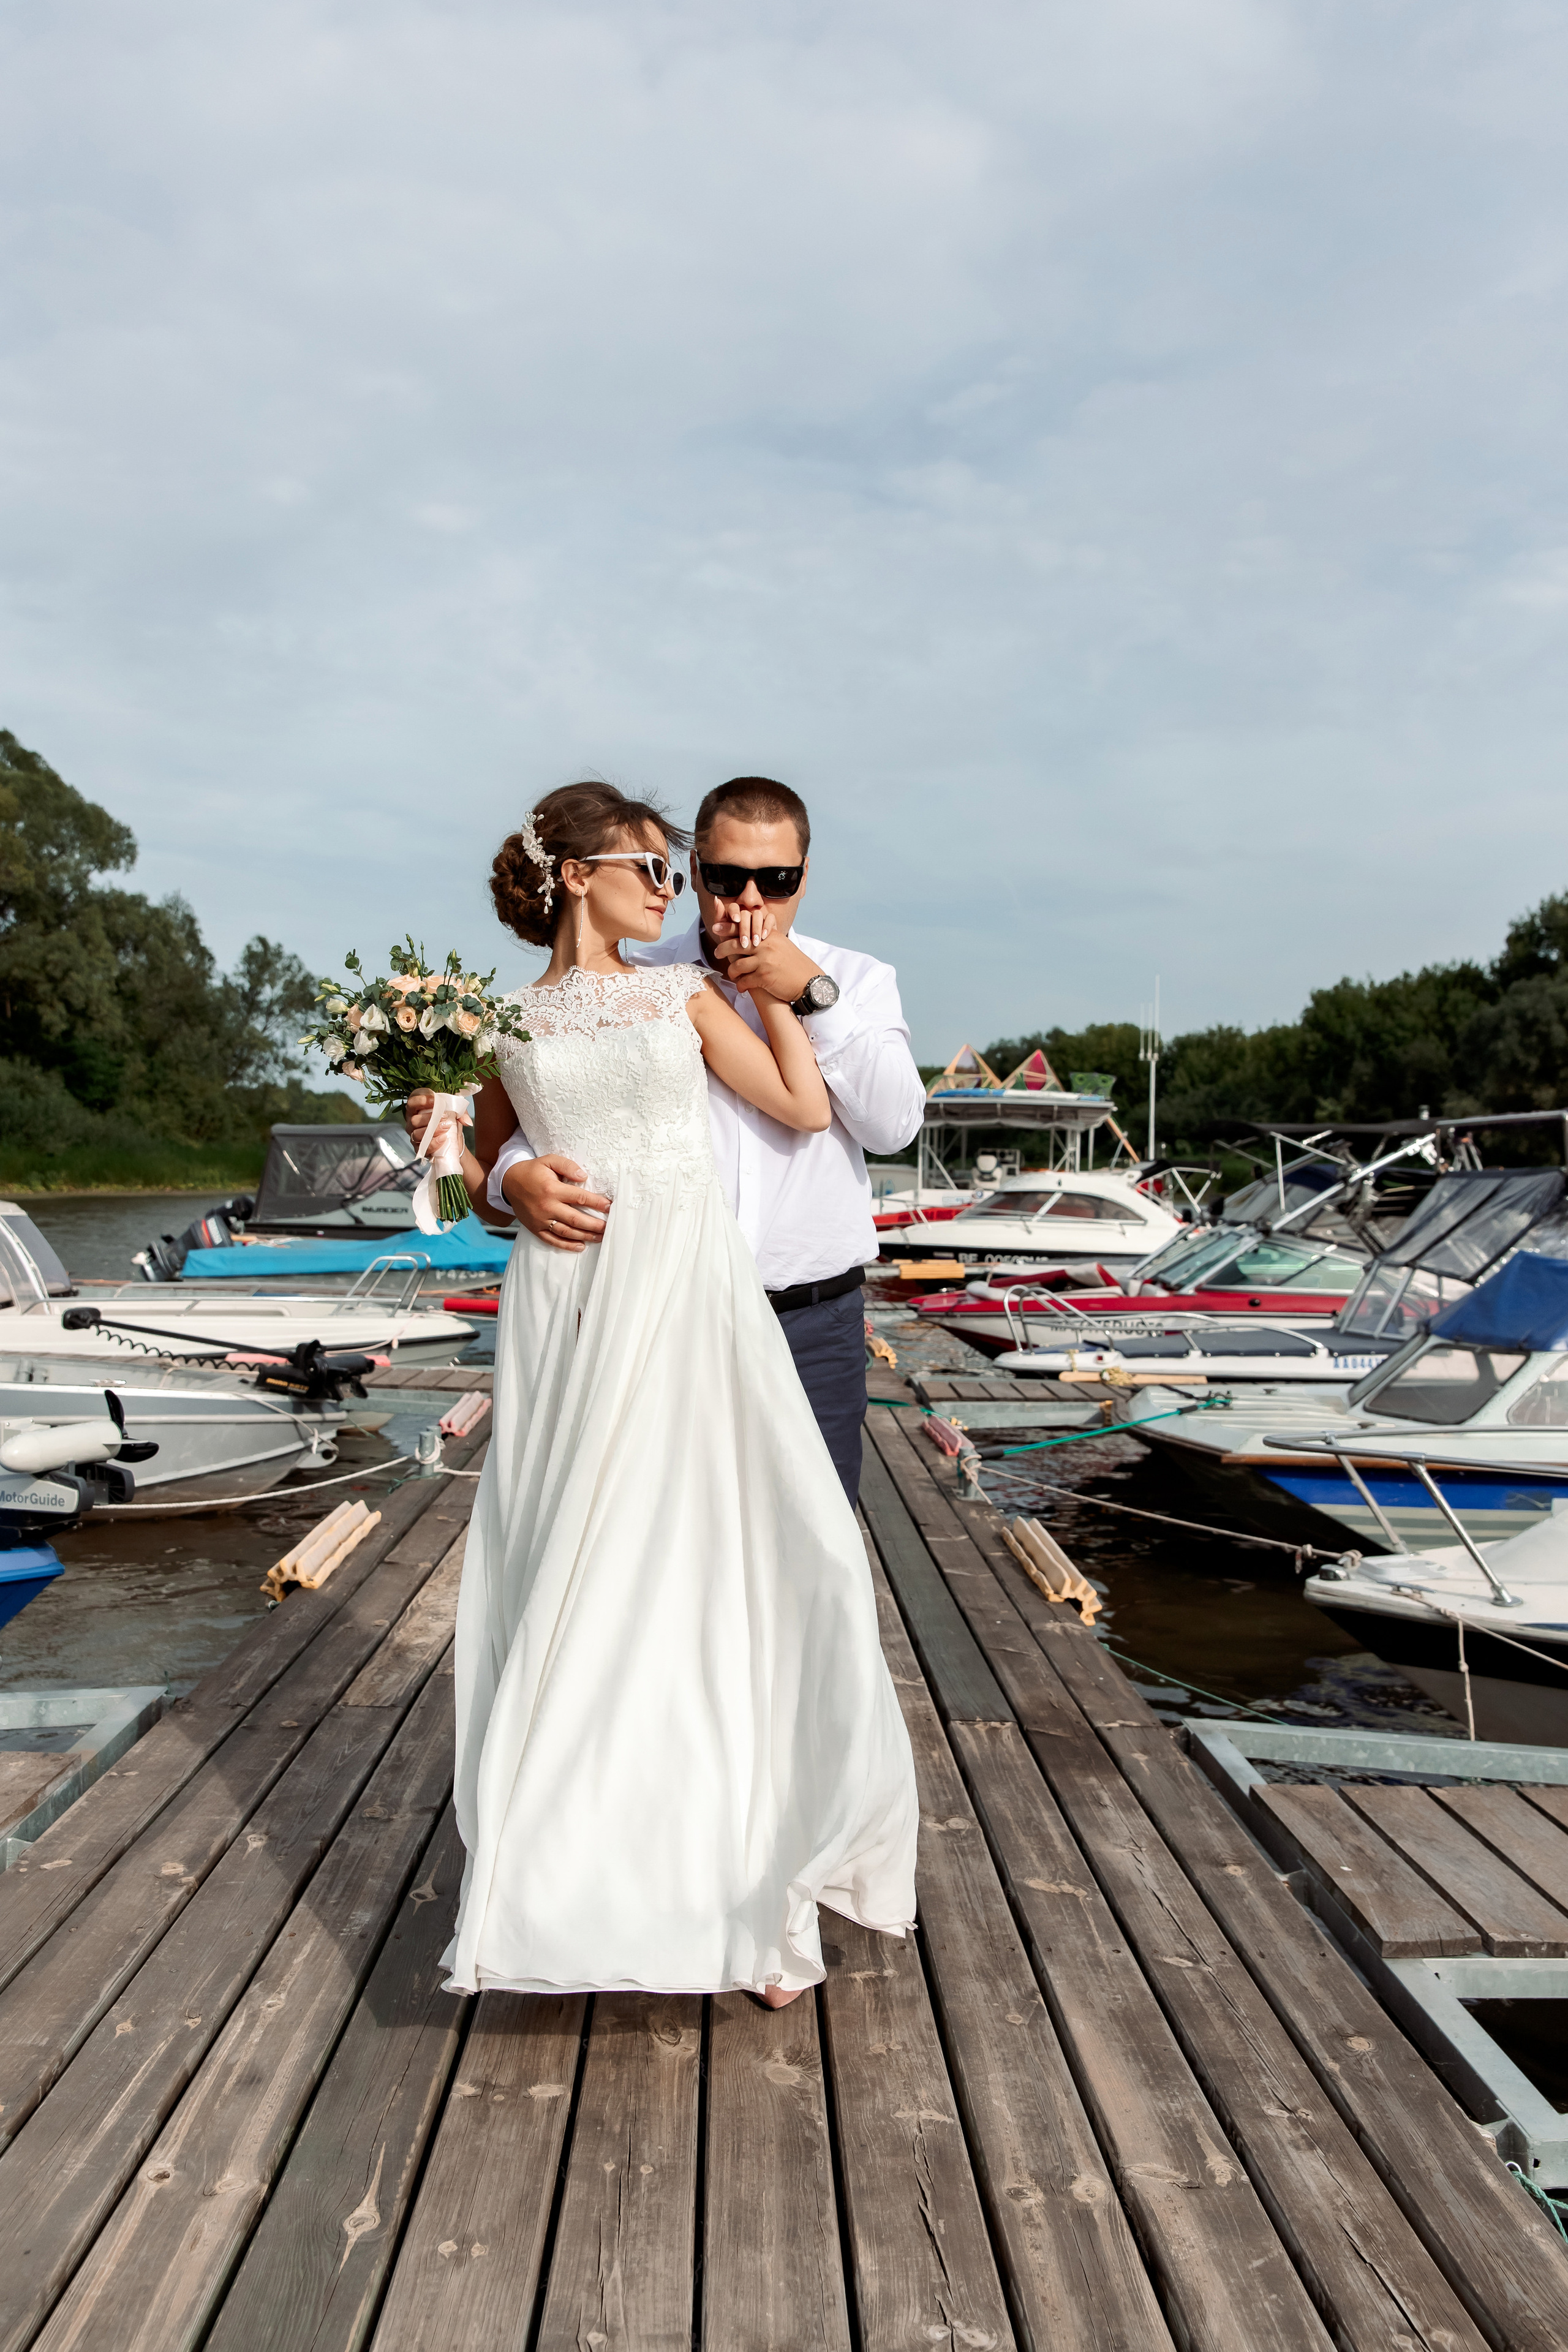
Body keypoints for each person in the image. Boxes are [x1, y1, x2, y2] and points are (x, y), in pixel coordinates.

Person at [429, 781, 918, 2005]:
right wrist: (510, 1182)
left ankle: (772, 1875)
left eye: (770, 881)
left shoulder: (752, 982)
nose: (720, 898)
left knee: (784, 1577)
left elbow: (850, 1114)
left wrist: (788, 989)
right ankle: (584, 1875)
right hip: (587, 1317)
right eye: (682, 872)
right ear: (576, 876)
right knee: (601, 1585)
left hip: (749, 1319)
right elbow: (474, 1150)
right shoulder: (514, 1015)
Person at [483, 775, 925, 1503]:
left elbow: (892, 1127)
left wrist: (807, 995)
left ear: (803, 879)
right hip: (659, 1316)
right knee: (665, 1546)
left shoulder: (856, 980)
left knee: (812, 1539)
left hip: (809, 1320)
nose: (749, 900)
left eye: (775, 880)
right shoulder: (642, 972)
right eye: (725, 878)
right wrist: (511, 1178)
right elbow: (557, 1109)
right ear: (695, 875)